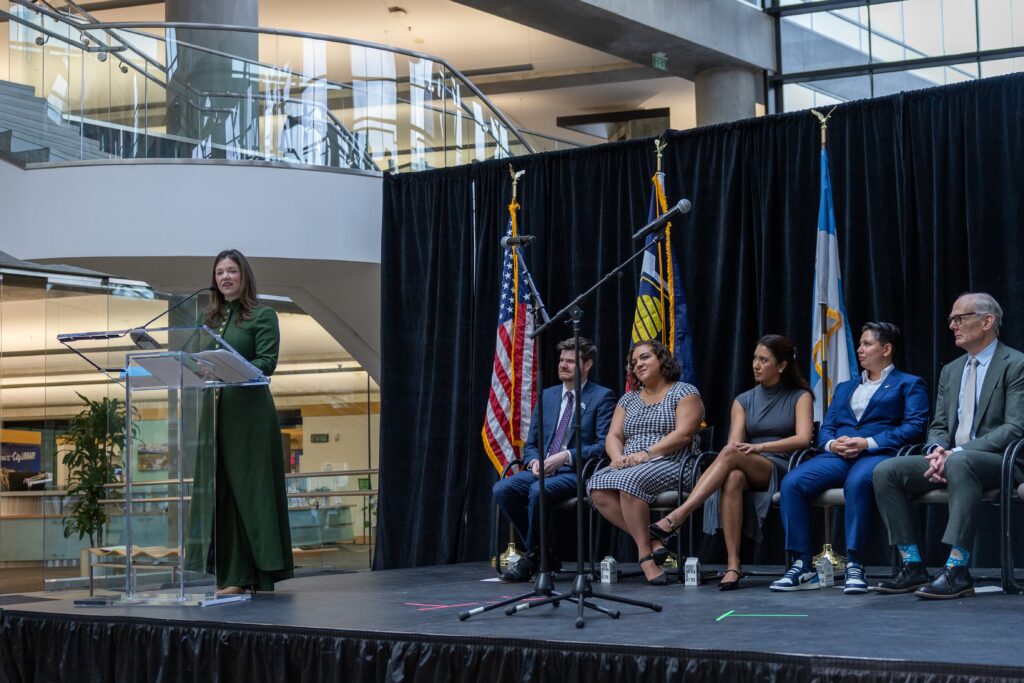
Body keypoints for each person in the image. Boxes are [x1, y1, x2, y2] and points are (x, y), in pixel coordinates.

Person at [874, 293, 1024, 599]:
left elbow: (1015, 428)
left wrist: (955, 454)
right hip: (952, 459)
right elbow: (940, 425)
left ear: (987, 322)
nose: (952, 325)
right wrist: (935, 452)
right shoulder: (951, 370)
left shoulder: (1016, 364)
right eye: (951, 319)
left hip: (1001, 461)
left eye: (960, 318)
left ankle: (957, 569)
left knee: (960, 462)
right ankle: (912, 565)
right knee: (886, 471)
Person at [771, 322, 929, 594]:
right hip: (839, 455)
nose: (859, 349)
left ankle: (855, 564)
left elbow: (914, 427)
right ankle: (802, 565)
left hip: (878, 454)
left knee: (857, 484)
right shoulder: (845, 387)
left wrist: (866, 442)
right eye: (860, 344)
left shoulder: (909, 384)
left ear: (887, 349)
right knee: (792, 483)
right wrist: (832, 444)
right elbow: (827, 428)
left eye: (867, 344)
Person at [648, 335, 813, 590]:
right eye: (754, 359)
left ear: (781, 365)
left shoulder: (800, 396)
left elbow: (803, 439)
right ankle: (733, 564)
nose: (756, 365)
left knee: (731, 455)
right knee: (733, 475)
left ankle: (680, 514)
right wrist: (747, 450)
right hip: (746, 462)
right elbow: (735, 444)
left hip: (783, 465)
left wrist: (760, 446)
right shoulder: (743, 400)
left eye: (764, 360)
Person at [188, 249, 294, 594]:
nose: (225, 277)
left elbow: (267, 362)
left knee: (254, 494)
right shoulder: (211, 320)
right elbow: (201, 363)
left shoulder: (262, 316)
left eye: (231, 271)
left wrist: (228, 366)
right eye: (219, 273)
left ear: (244, 276)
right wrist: (198, 367)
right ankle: (233, 576)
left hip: (249, 415)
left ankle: (261, 573)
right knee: (225, 494)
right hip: (218, 413)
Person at [494, 337, 616, 582]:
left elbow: (604, 446)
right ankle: (543, 554)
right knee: (502, 489)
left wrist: (566, 456)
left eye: (571, 361)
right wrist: (533, 462)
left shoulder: (602, 397)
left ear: (588, 364)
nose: (563, 365)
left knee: (538, 492)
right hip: (543, 470)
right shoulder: (548, 396)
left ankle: (531, 557)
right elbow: (531, 444)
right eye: (562, 360)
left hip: (577, 472)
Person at [587, 339, 704, 585]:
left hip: (674, 461)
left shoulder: (684, 391)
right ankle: (652, 541)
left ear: (662, 360)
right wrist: (617, 457)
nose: (638, 364)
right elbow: (614, 436)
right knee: (596, 485)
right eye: (634, 362)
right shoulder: (628, 400)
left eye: (644, 357)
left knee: (629, 481)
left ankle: (645, 558)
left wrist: (648, 453)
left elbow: (684, 434)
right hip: (630, 463)